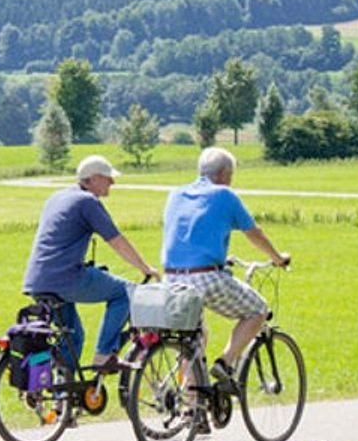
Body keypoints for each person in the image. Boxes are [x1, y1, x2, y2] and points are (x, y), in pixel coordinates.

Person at [161, 146, 290, 391]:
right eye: (230, 177)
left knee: (195, 337)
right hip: (205, 278)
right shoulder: (224, 195)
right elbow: (254, 233)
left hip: (171, 280)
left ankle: (191, 408)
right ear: (223, 174)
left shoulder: (175, 194)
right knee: (258, 311)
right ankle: (226, 362)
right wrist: (277, 257)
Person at [23, 155, 158, 373]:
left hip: (37, 280)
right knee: (124, 292)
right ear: (93, 179)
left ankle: (61, 396)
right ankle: (104, 356)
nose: (112, 183)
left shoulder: (57, 197)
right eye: (108, 178)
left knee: (72, 338)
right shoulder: (88, 202)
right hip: (66, 278)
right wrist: (145, 268)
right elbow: (116, 240)